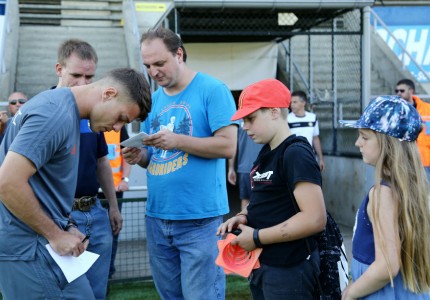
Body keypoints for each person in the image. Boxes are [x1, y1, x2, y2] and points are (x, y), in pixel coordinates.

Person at [0, 67, 152, 299]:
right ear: (108, 94)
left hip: (38, 245)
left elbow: (42, 186)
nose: (117, 129)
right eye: (121, 118)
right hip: (27, 249)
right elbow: (7, 182)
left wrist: (66, 225)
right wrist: (55, 234)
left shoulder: (66, 111)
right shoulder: (55, 114)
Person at [123, 27, 237, 300]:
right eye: (148, 65)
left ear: (179, 53)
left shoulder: (213, 90)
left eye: (159, 63)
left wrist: (177, 141)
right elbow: (156, 159)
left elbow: (227, 145)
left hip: (199, 218)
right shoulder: (154, 100)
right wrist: (140, 157)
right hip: (157, 216)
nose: (153, 72)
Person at [216, 78, 327, 299]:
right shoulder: (266, 152)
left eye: (251, 118)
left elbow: (315, 219)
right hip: (265, 263)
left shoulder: (296, 153)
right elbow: (269, 200)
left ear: (274, 112)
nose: (245, 127)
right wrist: (243, 216)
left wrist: (257, 237)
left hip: (290, 268)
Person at [339, 95, 430, 299]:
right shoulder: (410, 189)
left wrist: (349, 294)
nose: (357, 143)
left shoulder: (383, 194)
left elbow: (386, 266)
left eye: (365, 137)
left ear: (387, 142)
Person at [54, 38, 122, 299]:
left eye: (90, 76)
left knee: (97, 292)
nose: (83, 83)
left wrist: (112, 206)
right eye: (76, 75)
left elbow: (102, 160)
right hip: (61, 218)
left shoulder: (92, 114)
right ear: (59, 69)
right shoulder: (44, 110)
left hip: (96, 211)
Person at [98, 127, 132, 279]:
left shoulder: (118, 128)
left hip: (115, 189)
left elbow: (128, 153)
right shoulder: (88, 125)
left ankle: (108, 272)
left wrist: (125, 180)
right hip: (92, 190)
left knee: (114, 230)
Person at [395, 78, 430, 182]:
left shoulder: (427, 108)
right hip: (405, 161)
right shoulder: (396, 111)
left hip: (425, 162)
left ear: (411, 91)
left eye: (402, 91)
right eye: (396, 91)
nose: (398, 94)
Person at [228, 120, 263, 210]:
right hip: (248, 168)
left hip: (260, 166)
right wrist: (231, 168)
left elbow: (233, 145)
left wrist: (231, 168)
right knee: (248, 199)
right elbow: (233, 145)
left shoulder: (237, 120)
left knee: (249, 199)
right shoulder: (237, 120)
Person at [288, 90, 325, 171]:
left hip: (309, 157)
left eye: (295, 102)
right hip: (293, 157)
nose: (292, 105)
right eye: (291, 102)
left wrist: (321, 159)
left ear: (303, 103)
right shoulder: (287, 119)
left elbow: (315, 138)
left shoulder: (312, 117)